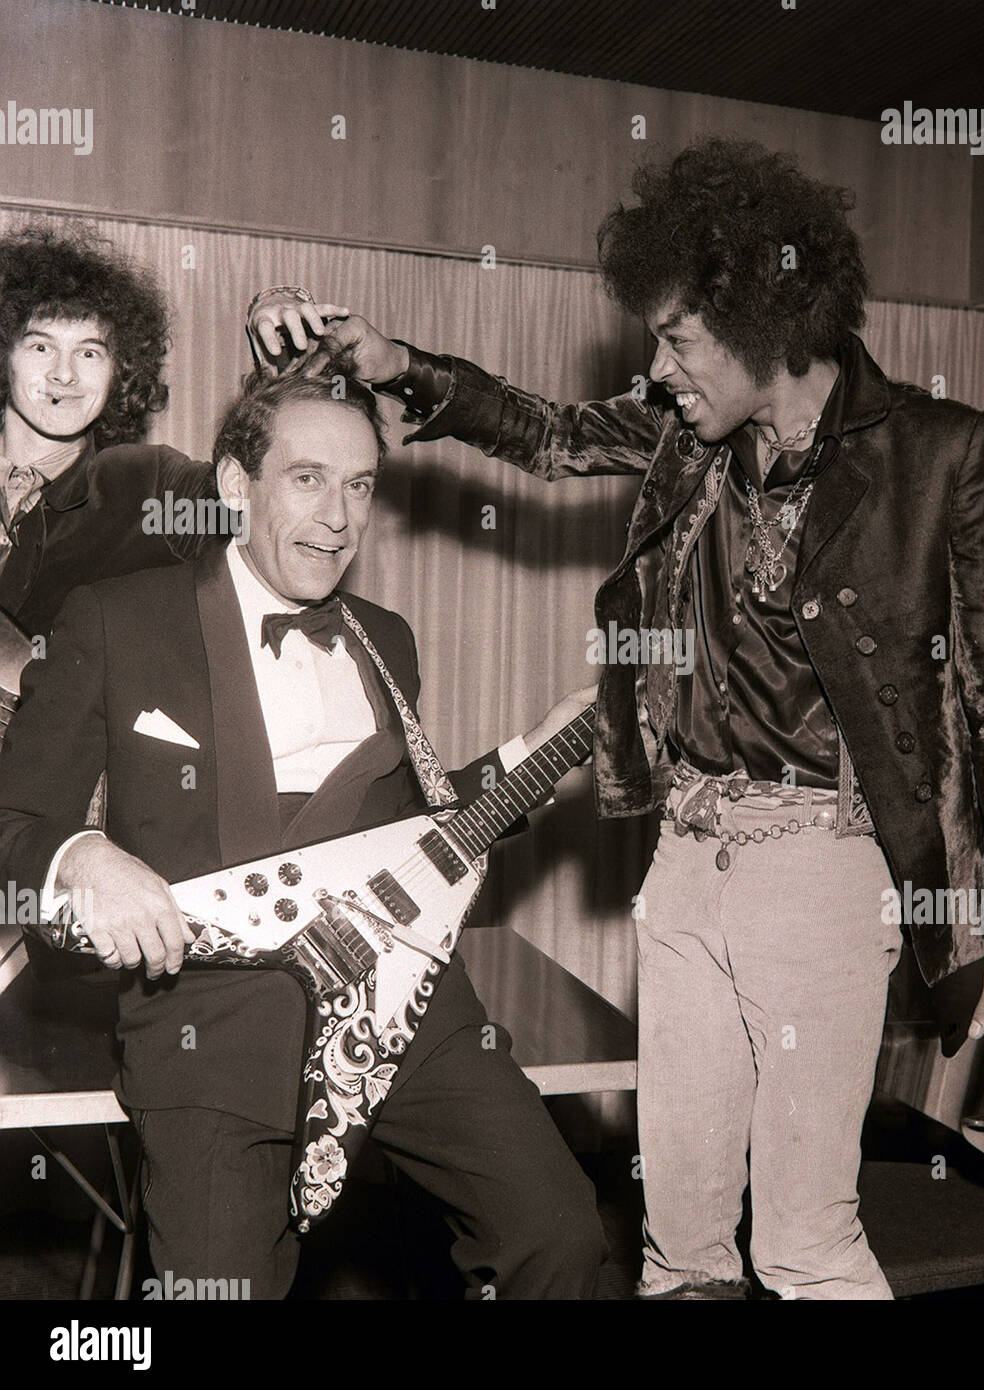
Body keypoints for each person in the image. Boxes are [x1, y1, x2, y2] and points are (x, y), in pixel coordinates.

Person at [304, 136, 984, 1299]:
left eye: (676, 339)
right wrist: (400, 362)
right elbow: (552, 433)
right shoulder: (687, 434)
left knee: (805, 1245)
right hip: (684, 860)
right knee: (679, 1245)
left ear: (768, 322)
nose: (657, 369)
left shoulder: (938, 452)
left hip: (825, 864)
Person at [0, 369, 606, 1299]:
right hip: (213, 1022)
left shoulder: (385, 639)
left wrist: (545, 743)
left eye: (360, 486)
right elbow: (12, 812)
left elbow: (416, 833)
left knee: (558, 1230)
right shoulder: (120, 620)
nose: (338, 517)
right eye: (308, 478)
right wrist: (80, 856)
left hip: (402, 1006)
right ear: (237, 487)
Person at [0, 224, 336, 639]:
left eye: (89, 352)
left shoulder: (149, 485)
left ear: (119, 370)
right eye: (41, 347)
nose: (64, 374)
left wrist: (283, 387)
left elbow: (262, 515)